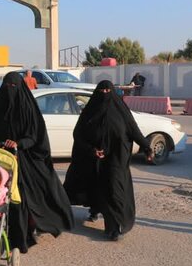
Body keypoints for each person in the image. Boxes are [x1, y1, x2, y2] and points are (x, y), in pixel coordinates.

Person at [0, 71, 74, 253]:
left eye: (13, 87)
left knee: (23, 195)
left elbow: (34, 136)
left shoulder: (28, 109)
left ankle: (27, 229)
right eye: (7, 87)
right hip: (1, 156)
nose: (9, 91)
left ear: (19, 88)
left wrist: (19, 144)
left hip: (25, 157)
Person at [64, 80, 153, 241]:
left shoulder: (122, 112)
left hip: (116, 160)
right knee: (95, 187)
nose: (105, 94)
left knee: (114, 191)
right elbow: (78, 135)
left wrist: (147, 147)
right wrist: (91, 150)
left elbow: (134, 131)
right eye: (101, 91)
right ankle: (95, 208)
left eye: (107, 91)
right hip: (94, 160)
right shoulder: (89, 112)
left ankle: (114, 227)